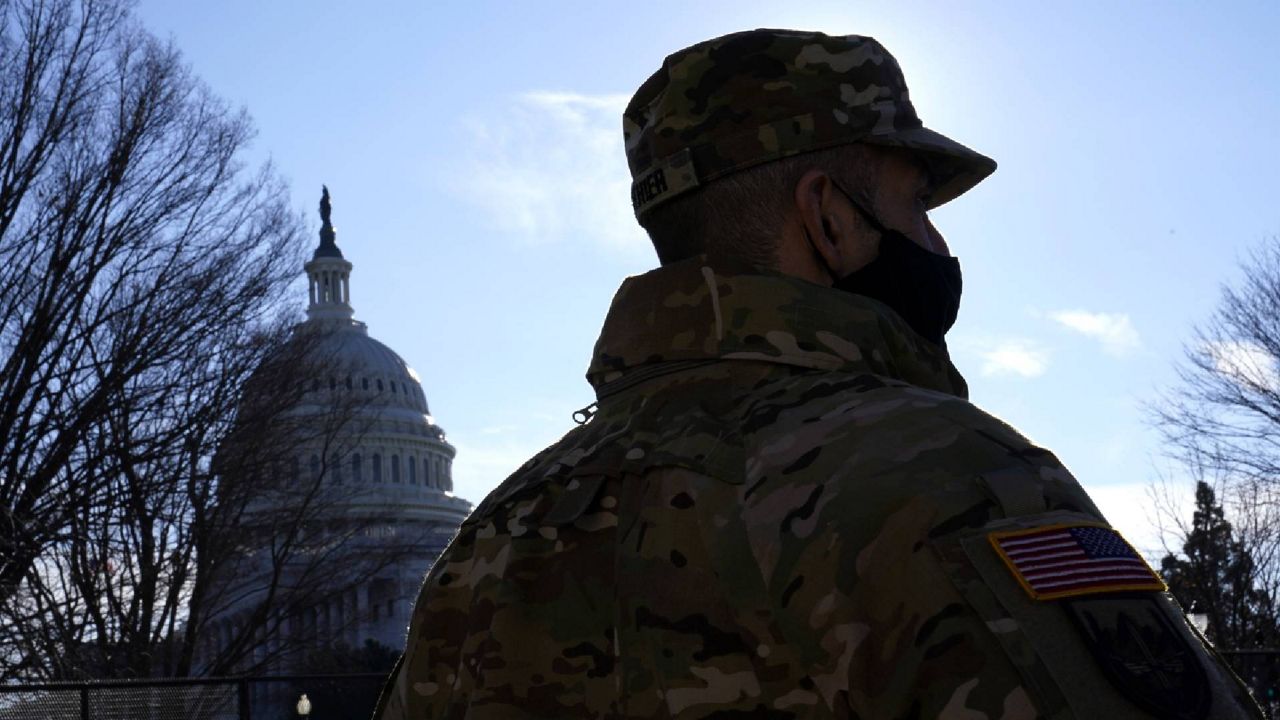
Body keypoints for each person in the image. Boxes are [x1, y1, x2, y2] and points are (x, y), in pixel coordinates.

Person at [376, 29, 1261, 719]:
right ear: (829, 218)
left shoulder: (494, 542)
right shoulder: (934, 473)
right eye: (915, 202)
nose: (938, 244)